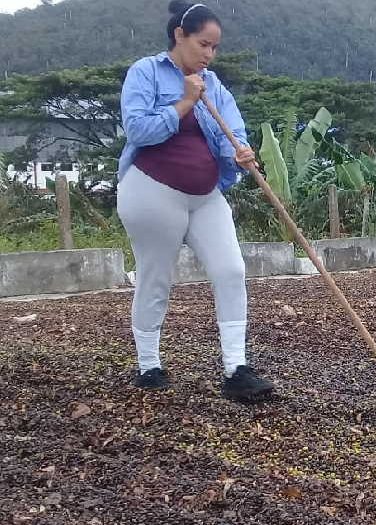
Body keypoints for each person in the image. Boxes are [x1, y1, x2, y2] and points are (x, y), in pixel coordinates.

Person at [117, 1, 274, 401]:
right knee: (156, 276)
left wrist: (240, 153)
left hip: (205, 195)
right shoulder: (146, 72)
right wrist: (184, 102)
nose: (209, 54)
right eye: (204, 44)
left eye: (215, 48)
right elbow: (137, 130)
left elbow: (230, 131)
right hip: (152, 190)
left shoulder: (214, 85)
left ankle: (236, 369)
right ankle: (149, 366)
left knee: (231, 269)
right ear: (180, 36)